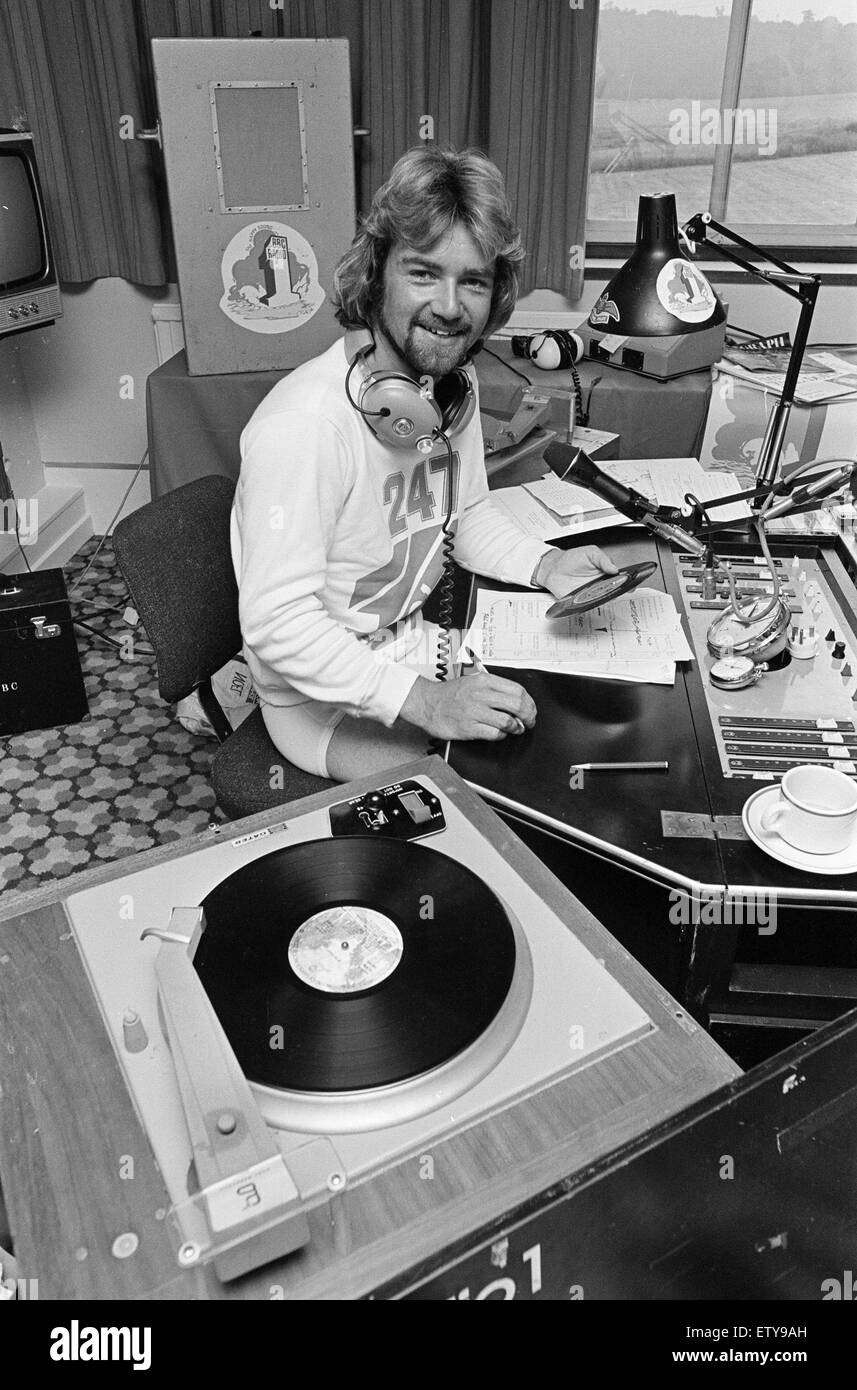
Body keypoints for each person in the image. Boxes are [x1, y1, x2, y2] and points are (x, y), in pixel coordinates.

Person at [231, 145, 617, 782]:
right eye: (423, 273)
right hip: (315, 697)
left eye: (473, 280)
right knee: (498, 787)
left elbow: (465, 519)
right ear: (377, 272)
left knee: (566, 717)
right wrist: (429, 703)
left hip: (406, 648)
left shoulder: (442, 392)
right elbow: (279, 625)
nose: (450, 306)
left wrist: (547, 565)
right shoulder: (304, 427)